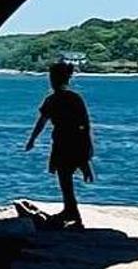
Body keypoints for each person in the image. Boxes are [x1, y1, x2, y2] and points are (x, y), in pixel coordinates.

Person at [23, 61, 95, 228]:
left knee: (65, 178)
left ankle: (72, 213)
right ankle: (70, 210)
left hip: (66, 142)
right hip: (71, 141)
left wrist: (32, 139)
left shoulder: (55, 99)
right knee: (65, 178)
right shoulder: (72, 98)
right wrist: (87, 150)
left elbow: (42, 122)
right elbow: (85, 124)